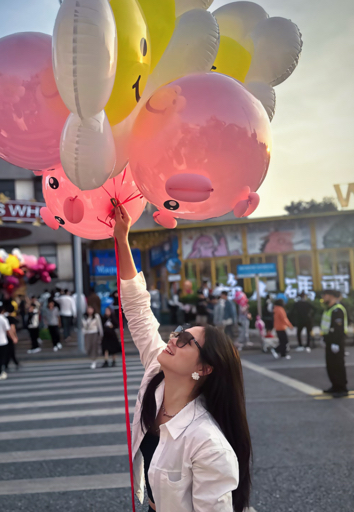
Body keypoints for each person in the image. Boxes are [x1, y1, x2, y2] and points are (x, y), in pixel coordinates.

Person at [114, 204, 251, 512]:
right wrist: (122, 238)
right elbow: (137, 308)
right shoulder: (156, 372)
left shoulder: (207, 444)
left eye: (187, 340)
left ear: (203, 369)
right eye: (179, 332)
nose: (174, 338)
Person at [321, 289, 348, 397]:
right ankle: (335, 385)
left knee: (338, 365)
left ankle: (342, 387)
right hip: (329, 340)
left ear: (331, 296)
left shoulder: (337, 310)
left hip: (336, 341)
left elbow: (338, 328)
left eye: (325, 295)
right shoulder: (329, 309)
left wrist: (335, 342)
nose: (323, 298)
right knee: (330, 365)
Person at [3, 300, 20, 369]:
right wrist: (15, 336)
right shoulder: (11, 319)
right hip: (10, 335)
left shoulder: (4, 317)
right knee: (11, 349)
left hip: (5, 335)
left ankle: (11, 362)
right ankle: (12, 362)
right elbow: (12, 328)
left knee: (9, 350)